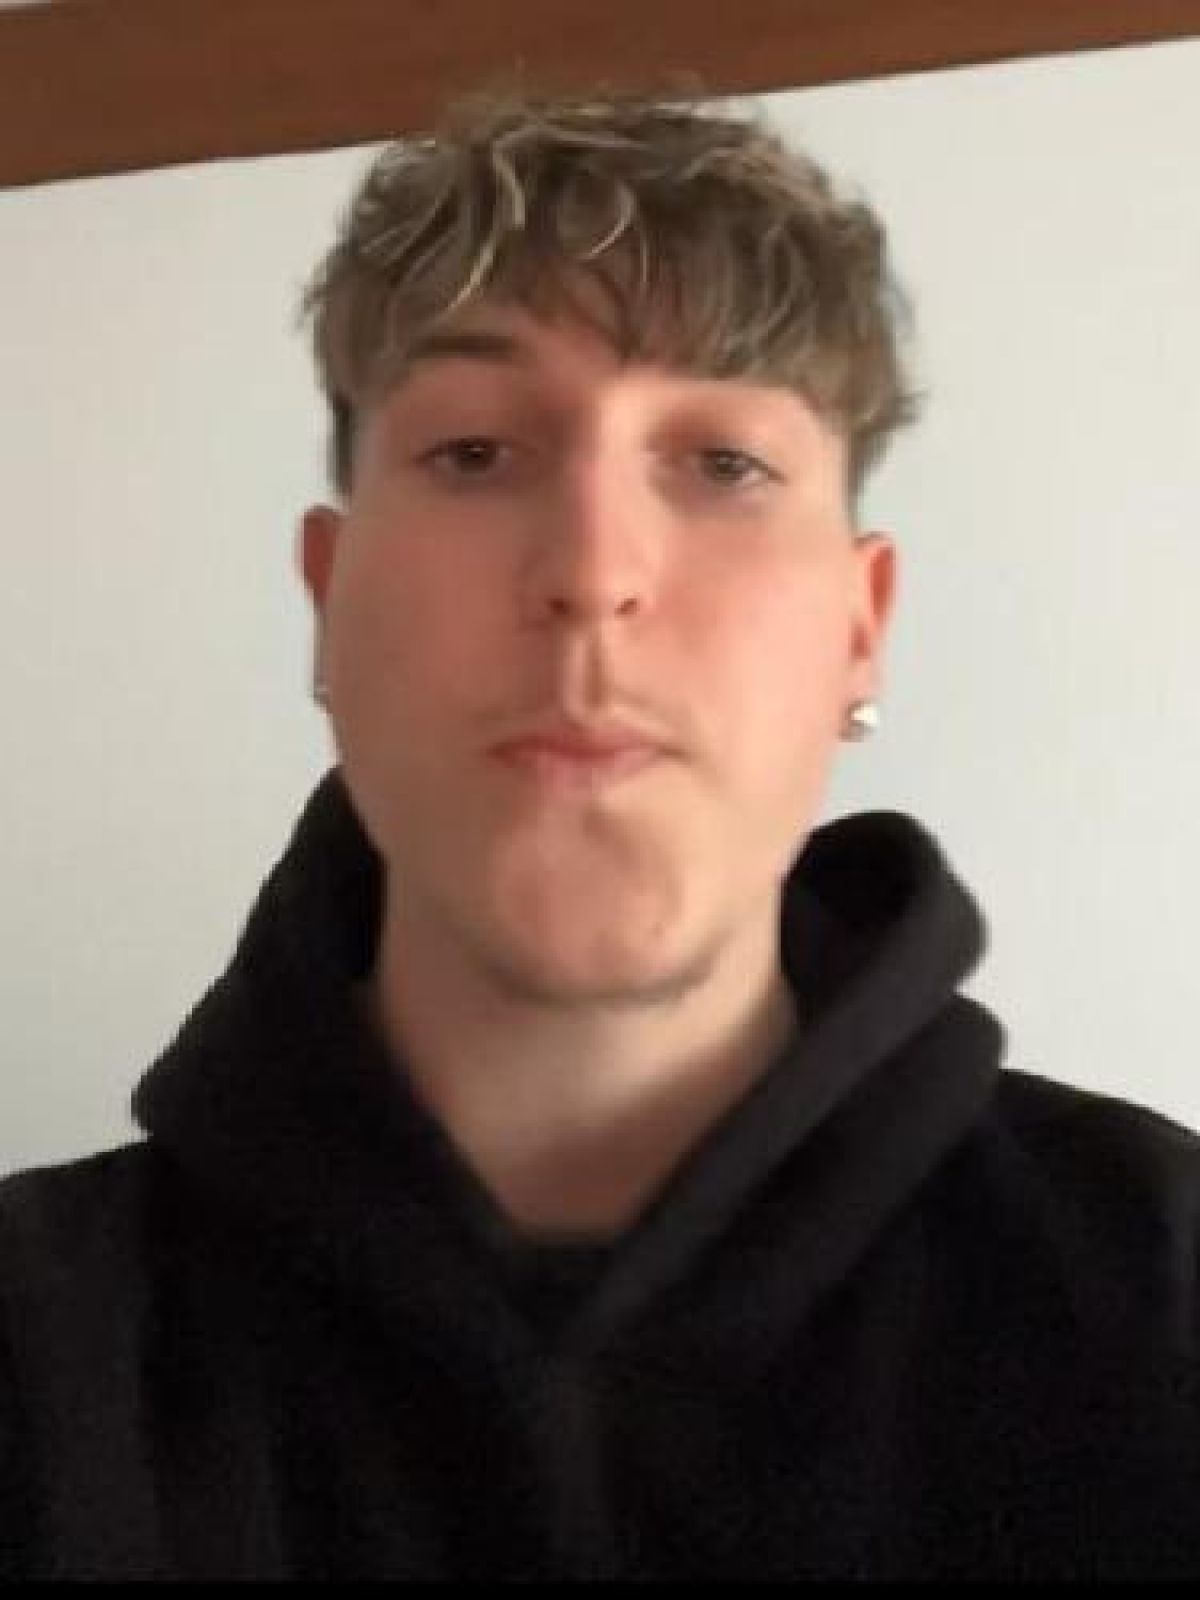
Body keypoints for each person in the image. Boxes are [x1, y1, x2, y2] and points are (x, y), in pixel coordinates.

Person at [2, 81, 1197, 1583]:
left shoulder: (1163, 1283)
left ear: (860, 628)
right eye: (475, 453)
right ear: (327, 596)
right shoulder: (36, 1361)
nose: (591, 568)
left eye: (724, 464)